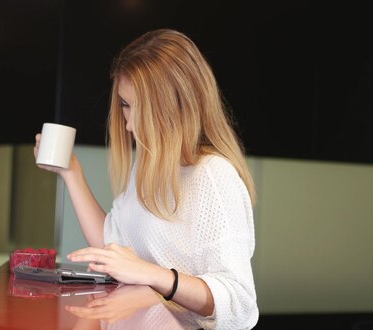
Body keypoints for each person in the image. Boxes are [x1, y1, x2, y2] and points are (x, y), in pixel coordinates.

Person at [34, 28, 258, 329]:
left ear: (174, 106)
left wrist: (150, 273)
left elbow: (240, 305)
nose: (128, 124)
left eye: (138, 108)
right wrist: (71, 173)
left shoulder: (214, 176)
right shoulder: (148, 163)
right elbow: (112, 242)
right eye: (125, 105)